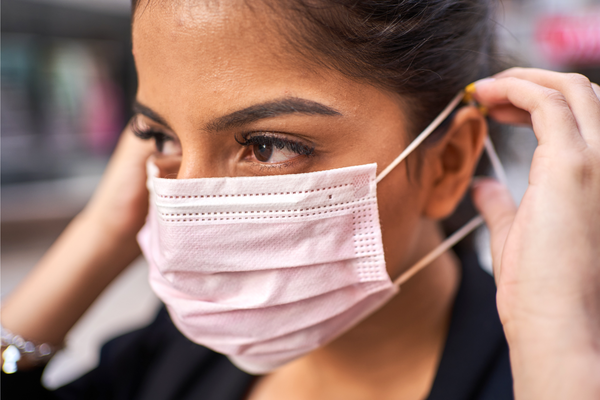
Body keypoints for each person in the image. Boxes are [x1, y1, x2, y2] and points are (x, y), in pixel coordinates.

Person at [2, 0, 600, 399]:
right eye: (160, 137)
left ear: (447, 161)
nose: (185, 204)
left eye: (266, 146)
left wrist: (555, 342)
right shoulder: (181, 355)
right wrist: (100, 233)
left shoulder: (537, 374)